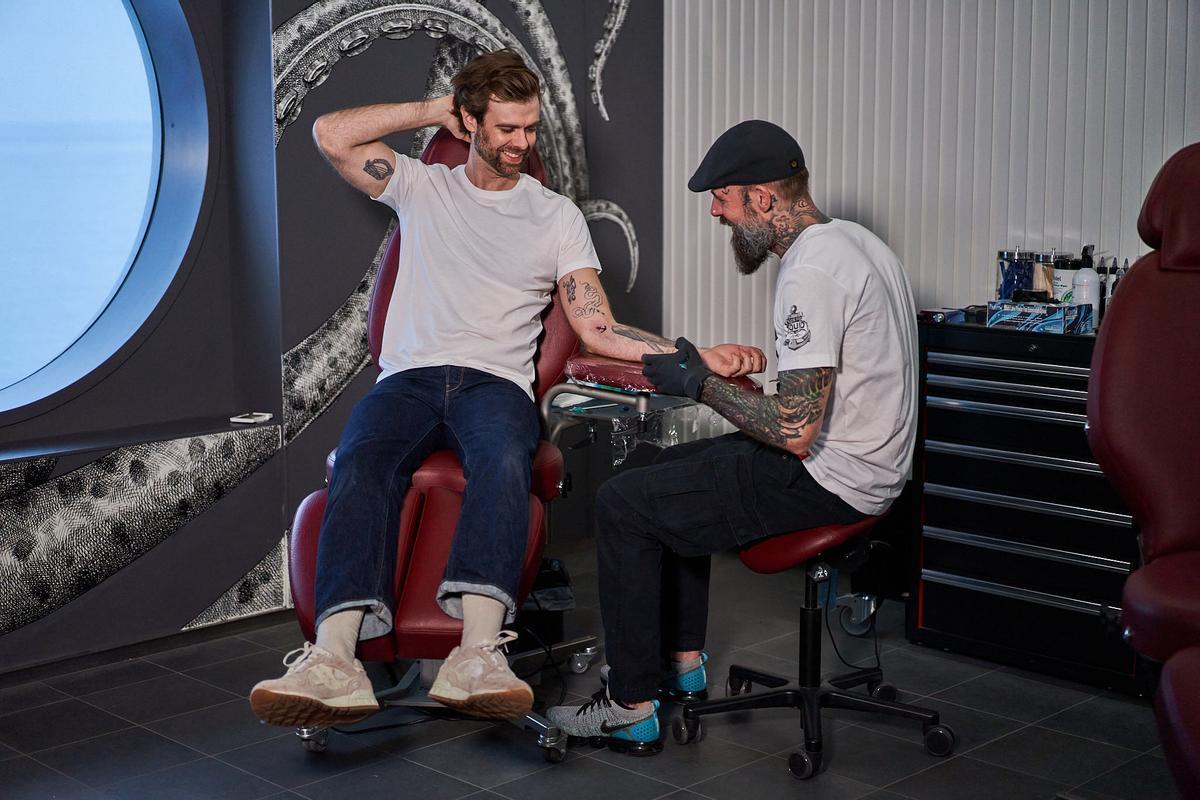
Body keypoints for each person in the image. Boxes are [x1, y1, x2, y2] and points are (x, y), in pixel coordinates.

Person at [249, 50, 764, 727]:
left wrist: (694, 355)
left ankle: (478, 655)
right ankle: (336, 660)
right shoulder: (421, 186)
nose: (524, 143)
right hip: (407, 378)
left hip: (494, 384)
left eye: (531, 128)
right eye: (509, 128)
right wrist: (438, 109)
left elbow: (598, 326)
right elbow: (329, 133)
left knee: (499, 461)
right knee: (362, 461)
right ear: (470, 122)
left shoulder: (556, 217)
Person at [546, 120, 918, 754]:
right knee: (664, 474)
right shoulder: (853, 243)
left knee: (620, 504)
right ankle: (682, 663)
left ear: (764, 198)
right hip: (871, 466)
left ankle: (631, 703)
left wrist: (697, 383)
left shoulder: (812, 272)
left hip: (831, 479)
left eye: (723, 198)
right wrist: (713, 373)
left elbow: (797, 432)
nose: (716, 213)